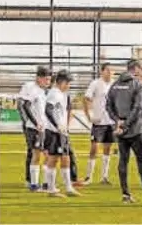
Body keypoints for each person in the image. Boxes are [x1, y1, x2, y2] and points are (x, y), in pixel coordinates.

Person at [106, 59, 142, 204]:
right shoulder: (138, 85)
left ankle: (126, 195)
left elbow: (108, 106)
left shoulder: (114, 85)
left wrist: (118, 121)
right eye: (141, 68)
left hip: (121, 131)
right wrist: (125, 124)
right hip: (135, 129)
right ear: (135, 69)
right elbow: (137, 108)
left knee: (123, 161)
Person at [43, 70, 81, 198]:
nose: (69, 85)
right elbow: (47, 110)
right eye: (69, 82)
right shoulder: (54, 94)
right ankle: (51, 189)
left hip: (62, 132)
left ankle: (68, 188)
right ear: (63, 82)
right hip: (55, 132)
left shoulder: (61, 94)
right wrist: (57, 125)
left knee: (66, 158)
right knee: (53, 159)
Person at [18, 66, 52, 192]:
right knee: (37, 155)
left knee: (47, 155)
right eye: (46, 79)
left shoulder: (43, 92)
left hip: (43, 129)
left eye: (50, 80)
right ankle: (34, 184)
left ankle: (44, 183)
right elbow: (26, 105)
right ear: (39, 78)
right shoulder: (33, 89)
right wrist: (35, 123)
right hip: (34, 128)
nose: (48, 82)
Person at [83, 62, 114, 185]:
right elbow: (86, 99)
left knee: (107, 149)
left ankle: (104, 177)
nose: (110, 73)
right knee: (94, 148)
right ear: (102, 71)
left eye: (112, 71)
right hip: (98, 122)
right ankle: (89, 176)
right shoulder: (95, 84)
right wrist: (89, 116)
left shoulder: (115, 85)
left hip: (111, 122)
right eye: (108, 70)